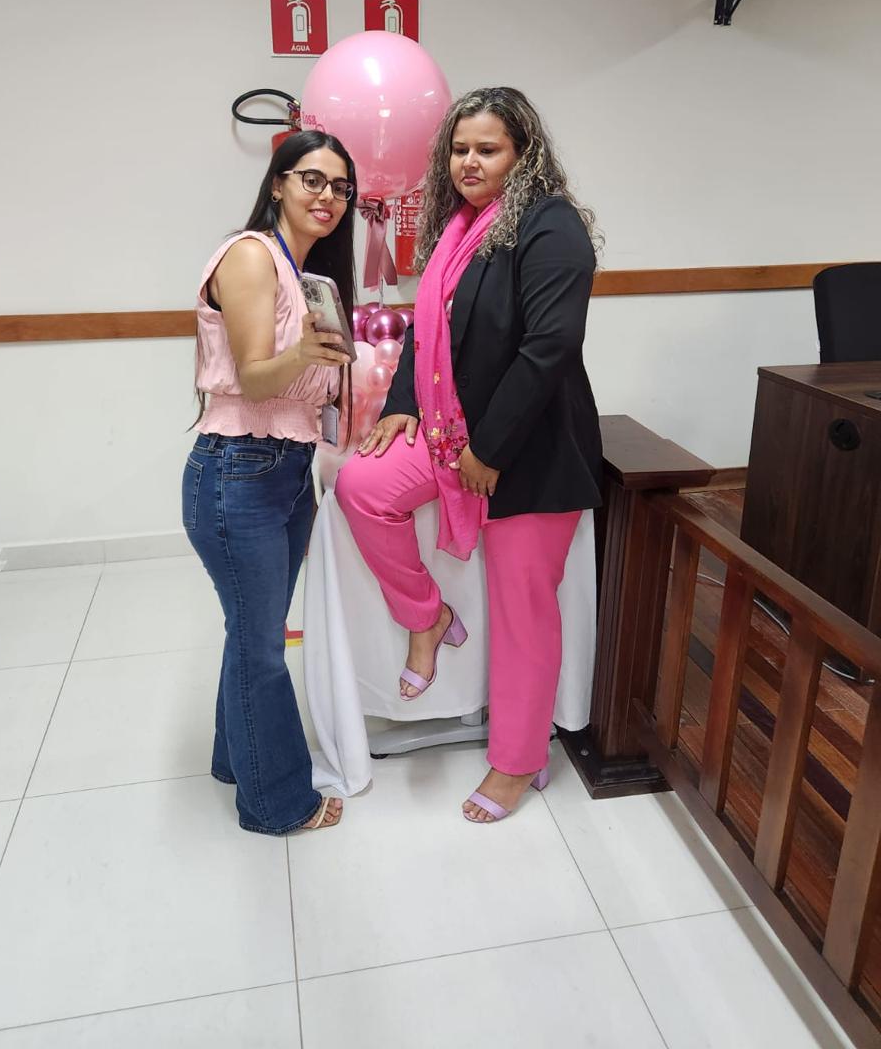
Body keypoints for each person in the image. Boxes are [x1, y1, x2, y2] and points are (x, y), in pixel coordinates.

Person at [335, 87, 602, 822]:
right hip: (452, 434)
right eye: (459, 149)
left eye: (488, 148)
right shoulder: (458, 228)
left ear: (523, 154)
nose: (469, 162)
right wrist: (400, 404)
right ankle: (427, 616)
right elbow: (429, 330)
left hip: (531, 448)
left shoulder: (549, 224)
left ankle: (518, 760)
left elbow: (549, 347)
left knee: (523, 613)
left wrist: (490, 449)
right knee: (362, 486)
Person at [184, 131, 356, 835]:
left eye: (340, 187)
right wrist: (307, 352)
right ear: (279, 182)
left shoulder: (303, 271)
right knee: (261, 646)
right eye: (312, 179)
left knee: (251, 633)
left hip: (283, 468)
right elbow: (255, 379)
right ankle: (276, 803)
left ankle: (237, 761)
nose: (328, 197)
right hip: (239, 470)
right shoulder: (252, 254)